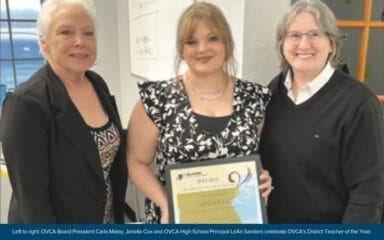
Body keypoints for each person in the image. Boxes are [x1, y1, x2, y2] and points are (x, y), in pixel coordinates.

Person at [127, 2, 273, 224]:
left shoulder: (254, 98)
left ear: (227, 43)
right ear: (181, 49)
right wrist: (166, 204)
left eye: (212, 38)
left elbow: (256, 160)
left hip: (237, 221)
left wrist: (262, 180)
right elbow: (136, 162)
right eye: (191, 41)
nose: (202, 49)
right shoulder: (157, 98)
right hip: (175, 222)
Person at [0, 0, 127, 223]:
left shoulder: (97, 84)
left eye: (88, 33)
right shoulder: (25, 104)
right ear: (44, 43)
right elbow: (34, 203)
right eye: (66, 32)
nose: (80, 42)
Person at [260, 0, 384, 223]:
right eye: (294, 35)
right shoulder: (273, 92)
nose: (303, 44)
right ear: (282, 44)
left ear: (332, 43)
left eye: (315, 34)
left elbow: (368, 190)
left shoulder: (358, 103)